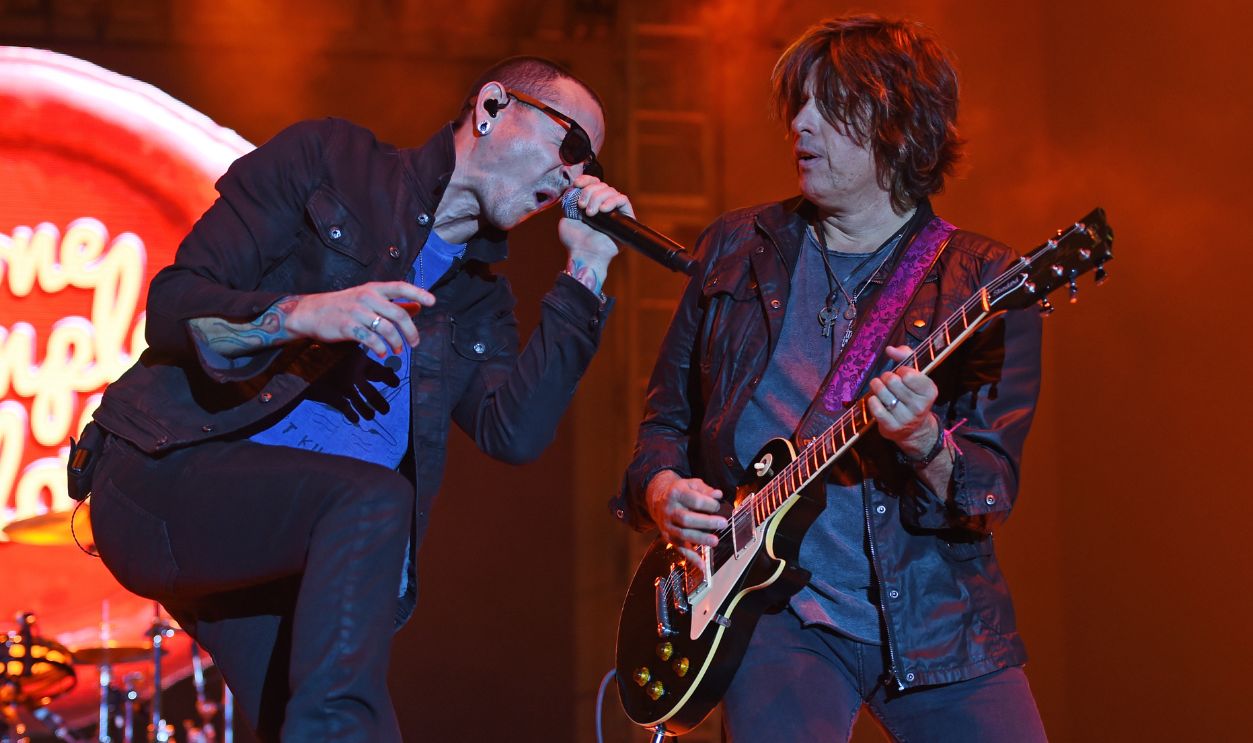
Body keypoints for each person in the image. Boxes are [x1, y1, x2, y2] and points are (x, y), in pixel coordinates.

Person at [73, 56, 630, 742]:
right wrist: (307, 314)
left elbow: (512, 431)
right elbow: (173, 307)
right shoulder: (330, 161)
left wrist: (587, 269)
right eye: (570, 145)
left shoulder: (480, 304)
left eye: (590, 165)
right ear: (490, 108)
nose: (576, 177)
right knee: (371, 501)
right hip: (162, 476)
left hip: (278, 558)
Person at [612, 16, 1049, 742]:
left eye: (828, 106)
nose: (800, 125)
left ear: (898, 125)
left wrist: (921, 441)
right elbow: (663, 422)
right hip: (772, 613)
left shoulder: (984, 281)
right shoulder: (734, 248)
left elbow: (990, 486)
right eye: (798, 105)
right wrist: (659, 488)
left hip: (938, 620)